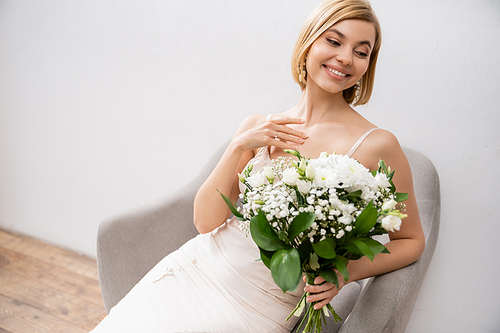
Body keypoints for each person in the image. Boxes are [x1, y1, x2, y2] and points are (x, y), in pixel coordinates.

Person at [91, 0, 425, 332]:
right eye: (334, 41)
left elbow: (411, 241)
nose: (345, 58)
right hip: (193, 269)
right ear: (309, 42)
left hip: (257, 308)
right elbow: (205, 223)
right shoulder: (259, 125)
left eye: (361, 51)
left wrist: (344, 272)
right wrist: (238, 146)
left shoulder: (376, 144)